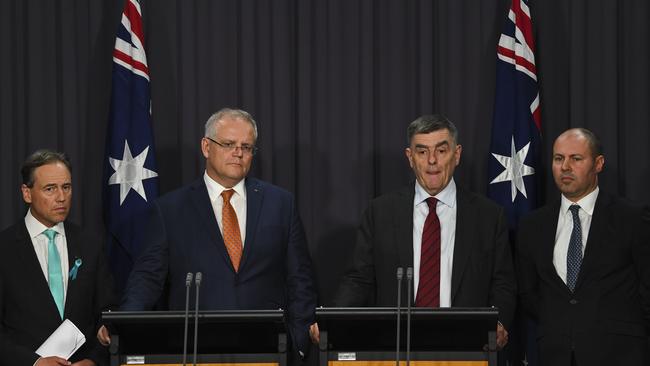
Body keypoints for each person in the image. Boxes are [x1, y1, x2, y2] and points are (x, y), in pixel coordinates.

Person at [117, 108, 318, 357]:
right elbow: (146, 280)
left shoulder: (280, 203)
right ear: (206, 147)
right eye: (229, 144)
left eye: (247, 147)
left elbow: (300, 280)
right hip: (196, 350)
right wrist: (123, 327)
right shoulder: (170, 210)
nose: (238, 153)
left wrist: (298, 343)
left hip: (267, 351)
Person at [334, 114, 516, 349]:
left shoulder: (489, 216)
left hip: (466, 347)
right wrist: (333, 320)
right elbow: (358, 279)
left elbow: (503, 283)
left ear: (457, 154)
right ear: (410, 158)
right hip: (398, 348)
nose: (432, 161)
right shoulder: (380, 212)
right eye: (422, 152)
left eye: (441, 151)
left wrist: (499, 323)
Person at [517, 128, 650, 365]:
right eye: (559, 159)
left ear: (598, 164)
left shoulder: (631, 218)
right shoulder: (532, 225)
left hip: (620, 354)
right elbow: (529, 293)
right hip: (554, 354)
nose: (565, 167)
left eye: (576, 159)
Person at [0, 150, 115, 366]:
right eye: (50, 189)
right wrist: (34, 363)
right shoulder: (4, 249)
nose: (61, 197)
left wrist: (93, 360)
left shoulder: (90, 245)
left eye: (66, 187)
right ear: (27, 193)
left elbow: (107, 315)